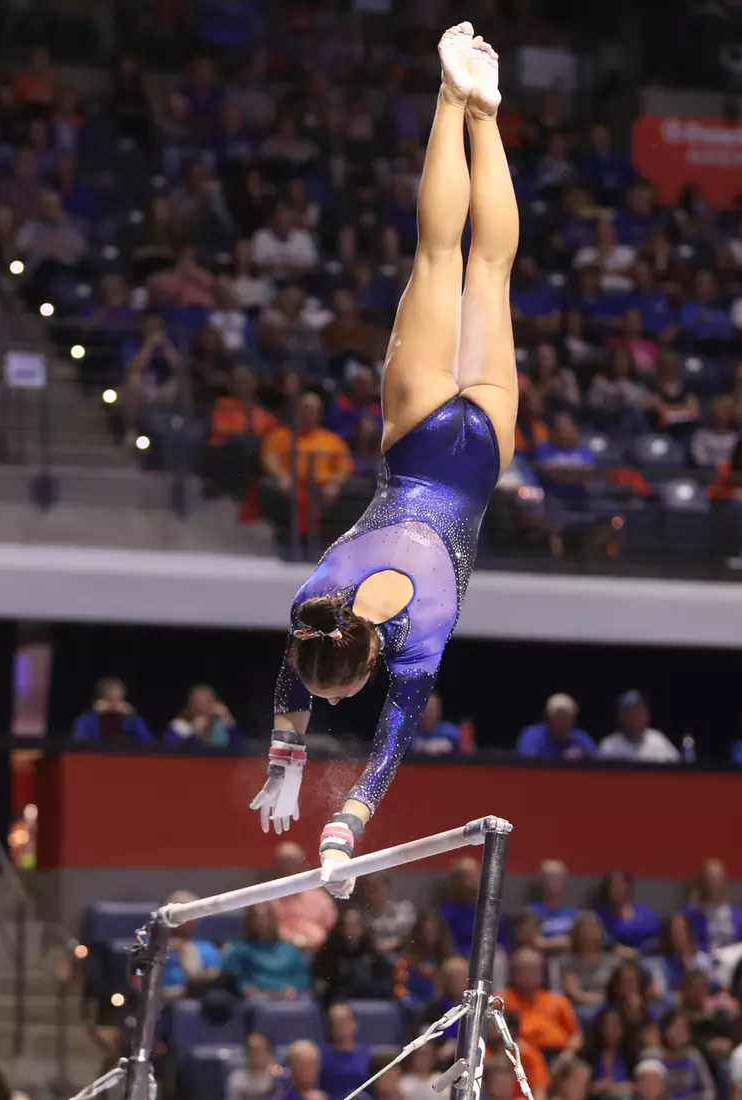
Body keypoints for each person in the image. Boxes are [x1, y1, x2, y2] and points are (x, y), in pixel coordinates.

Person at [254, 24, 520, 899]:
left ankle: (483, 114)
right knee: (440, 256)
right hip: (414, 446)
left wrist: (338, 831)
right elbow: (298, 675)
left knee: (486, 267)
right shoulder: (312, 606)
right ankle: (454, 99)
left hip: (481, 456)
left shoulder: (416, 655)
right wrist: (288, 768)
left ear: (370, 663)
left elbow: (382, 764)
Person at [222, 903, 309, 999]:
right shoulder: (238, 949)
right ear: (249, 920)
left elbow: (301, 979)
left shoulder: (291, 950)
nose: (263, 922)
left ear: (274, 920)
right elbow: (232, 979)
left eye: (267, 917)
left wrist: (294, 990)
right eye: (257, 918)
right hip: (255, 998)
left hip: (289, 997)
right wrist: (247, 989)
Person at [310, 908, 393, 1006]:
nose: (351, 929)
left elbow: (384, 982)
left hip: (367, 1001)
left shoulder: (372, 952)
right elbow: (321, 983)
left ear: (362, 927)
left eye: (356, 924)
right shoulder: (328, 953)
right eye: (348, 924)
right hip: (337, 1002)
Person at [598, 691, 680, 763]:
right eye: (633, 712)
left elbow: (679, 768)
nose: (638, 716)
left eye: (641, 710)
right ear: (621, 716)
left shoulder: (658, 740)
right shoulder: (608, 747)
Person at [227, 1033, 278, 1100]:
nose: (255, 1054)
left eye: (258, 1049)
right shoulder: (237, 1079)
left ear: (269, 1052)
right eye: (250, 1050)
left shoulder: (279, 1076)